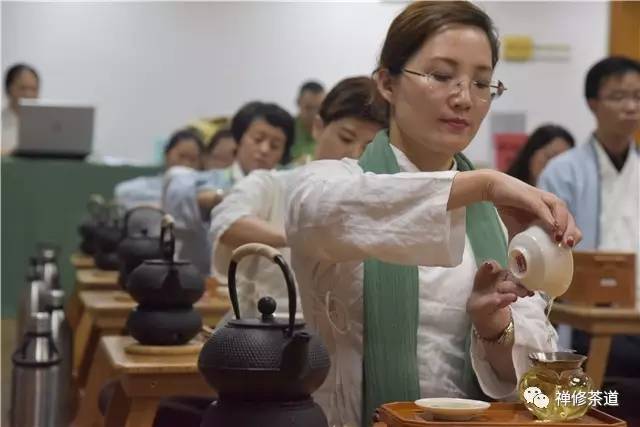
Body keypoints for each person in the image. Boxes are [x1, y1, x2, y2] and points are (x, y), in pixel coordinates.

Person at [284, 2, 581, 426]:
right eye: (442, 76)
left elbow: (536, 382)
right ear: (387, 82)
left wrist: (495, 327)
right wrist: (483, 184)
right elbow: (321, 212)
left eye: (481, 83)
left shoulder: (492, 218)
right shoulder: (330, 180)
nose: (463, 99)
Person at [209, 76, 387, 321]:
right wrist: (299, 235)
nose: (354, 155)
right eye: (345, 138)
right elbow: (227, 222)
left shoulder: (374, 200)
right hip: (264, 333)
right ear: (318, 127)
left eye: (369, 147)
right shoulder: (271, 185)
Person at [538, 57, 640, 383]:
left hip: (636, 313)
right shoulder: (563, 171)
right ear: (593, 103)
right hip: (585, 316)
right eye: (618, 96)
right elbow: (549, 248)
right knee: (601, 399)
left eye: (638, 96)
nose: (631, 107)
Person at [162, 101, 294, 276]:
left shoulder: (286, 191)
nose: (264, 150)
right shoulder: (208, 180)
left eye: (275, 145)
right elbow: (176, 188)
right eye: (258, 139)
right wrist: (220, 198)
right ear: (239, 139)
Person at [114, 129, 204, 209]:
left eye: (193, 159)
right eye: (181, 156)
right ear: (167, 155)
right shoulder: (139, 188)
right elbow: (121, 192)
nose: (186, 164)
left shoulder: (202, 192)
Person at [507, 124, 575, 186]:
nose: (556, 167)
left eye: (564, 162)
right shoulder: (506, 189)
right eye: (550, 157)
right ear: (531, 153)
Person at [2, 63, 40, 154]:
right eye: (23, 88)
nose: (28, 95)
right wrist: (12, 154)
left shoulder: (44, 125)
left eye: (33, 89)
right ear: (8, 89)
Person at [290, 80, 325, 163]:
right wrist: (293, 166)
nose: (314, 114)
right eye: (308, 108)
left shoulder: (330, 132)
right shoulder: (286, 129)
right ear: (298, 102)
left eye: (319, 109)